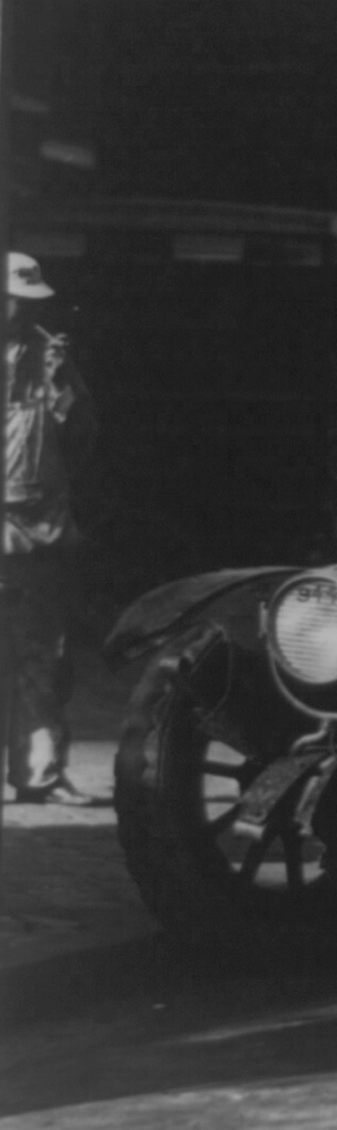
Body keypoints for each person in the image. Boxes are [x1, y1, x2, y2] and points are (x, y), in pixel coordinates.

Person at [4, 253, 98, 805]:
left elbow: (82, 442)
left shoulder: (54, 360)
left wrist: (60, 388)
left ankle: (38, 773)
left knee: (43, 655)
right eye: (14, 301)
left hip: (40, 533)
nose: (21, 314)